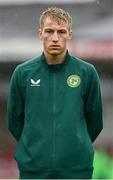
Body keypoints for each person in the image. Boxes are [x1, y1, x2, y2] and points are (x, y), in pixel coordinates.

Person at [7, 7, 103, 179]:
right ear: (40, 34)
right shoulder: (23, 73)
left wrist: (75, 144)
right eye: (49, 31)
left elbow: (95, 121)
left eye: (61, 32)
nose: (55, 38)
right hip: (33, 170)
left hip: (76, 169)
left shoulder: (87, 72)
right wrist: (36, 148)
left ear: (70, 35)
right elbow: (14, 122)